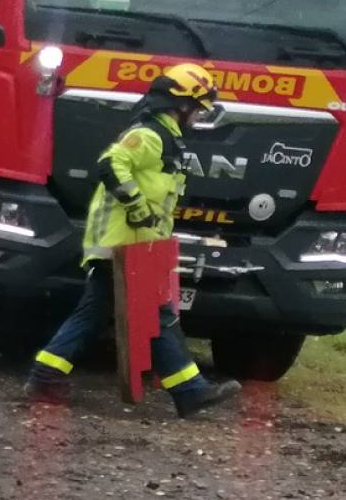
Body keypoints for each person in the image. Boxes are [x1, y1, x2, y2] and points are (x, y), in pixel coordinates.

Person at [25, 63, 242, 417]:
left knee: (97, 312)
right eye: (198, 107)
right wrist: (138, 207)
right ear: (180, 104)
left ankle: (46, 373)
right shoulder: (150, 135)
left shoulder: (166, 138)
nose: (199, 116)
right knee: (158, 316)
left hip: (134, 245)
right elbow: (111, 165)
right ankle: (189, 391)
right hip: (123, 244)